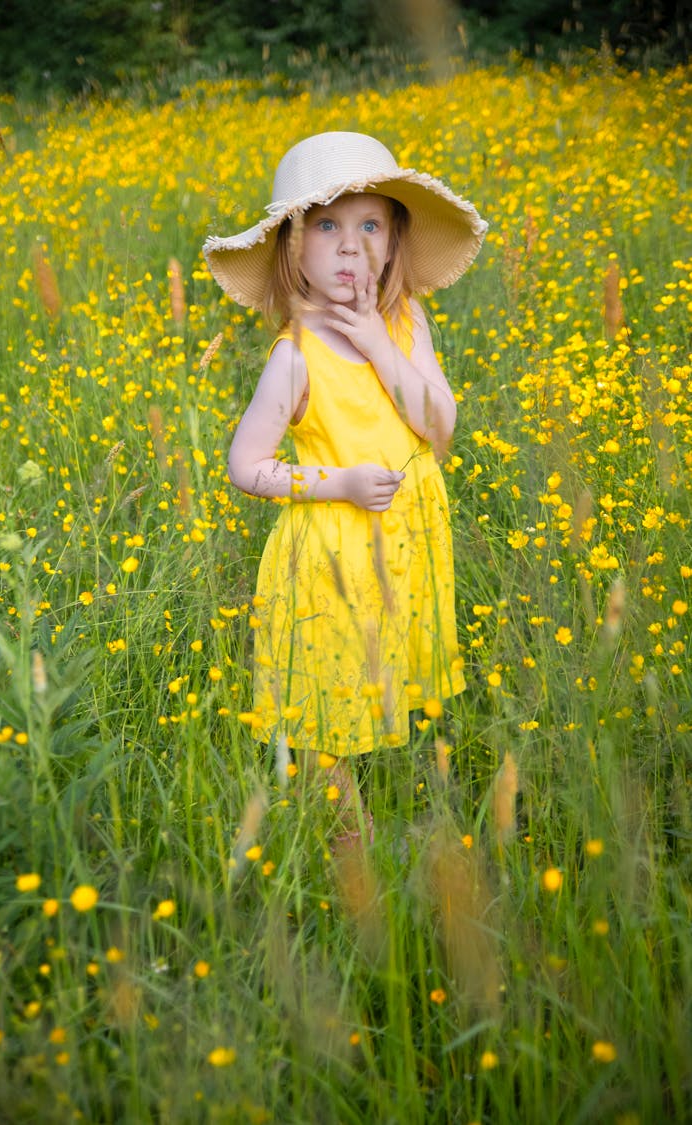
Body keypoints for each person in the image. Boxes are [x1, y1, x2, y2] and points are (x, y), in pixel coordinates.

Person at [203, 131, 486, 840]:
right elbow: (246, 466)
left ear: (393, 244)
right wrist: (340, 483)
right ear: (294, 246)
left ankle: (404, 803)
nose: (350, 245)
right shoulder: (293, 360)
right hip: (333, 547)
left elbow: (440, 428)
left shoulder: (405, 320)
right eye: (327, 225)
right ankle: (348, 838)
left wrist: (377, 345)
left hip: (407, 536)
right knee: (331, 700)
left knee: (389, 673)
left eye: (369, 225)